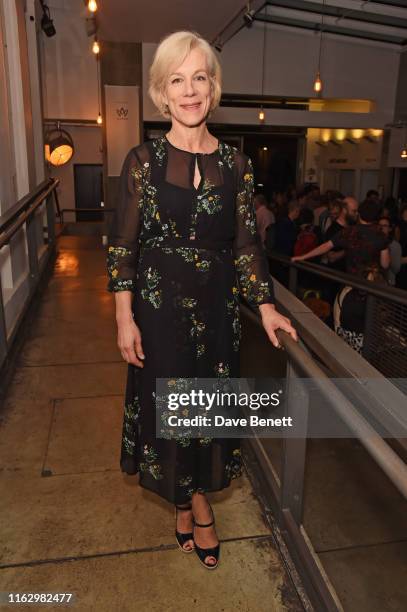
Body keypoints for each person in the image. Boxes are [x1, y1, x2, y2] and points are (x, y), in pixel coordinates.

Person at [106, 30, 297, 570]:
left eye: (200, 77)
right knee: (174, 413)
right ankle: (197, 506)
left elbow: (246, 245)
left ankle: (189, 506)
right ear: (162, 94)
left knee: (205, 414)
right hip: (159, 311)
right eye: (177, 80)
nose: (190, 90)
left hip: (216, 315)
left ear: (213, 88)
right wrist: (125, 319)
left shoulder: (237, 166)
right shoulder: (142, 161)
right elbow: (122, 247)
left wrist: (263, 305)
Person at [291, 200, 390, 277]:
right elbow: (385, 264)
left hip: (351, 281)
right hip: (371, 284)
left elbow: (326, 246)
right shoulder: (380, 235)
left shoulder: (350, 231)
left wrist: (302, 257)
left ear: (359, 215)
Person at [377, 216, 402, 285]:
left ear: (390, 229)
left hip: (388, 282)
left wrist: (387, 258)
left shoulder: (394, 245)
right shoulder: (374, 241)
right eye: (379, 225)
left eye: (385, 226)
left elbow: (396, 269)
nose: (381, 228)